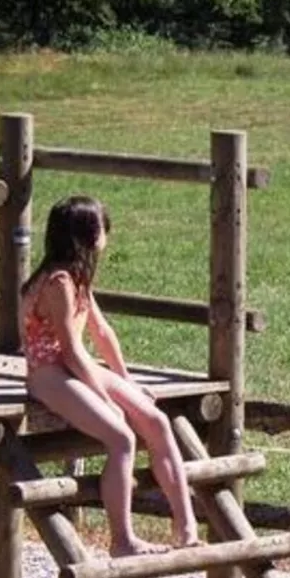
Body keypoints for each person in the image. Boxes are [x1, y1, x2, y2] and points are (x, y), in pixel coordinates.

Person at [20, 195, 201, 556]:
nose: (107, 235)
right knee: (120, 438)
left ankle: (186, 526)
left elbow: (101, 333)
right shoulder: (58, 284)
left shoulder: (78, 277)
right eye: (103, 228)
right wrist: (106, 399)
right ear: (86, 236)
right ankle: (123, 539)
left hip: (76, 366)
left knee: (156, 421)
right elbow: (70, 351)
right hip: (49, 373)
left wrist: (126, 382)